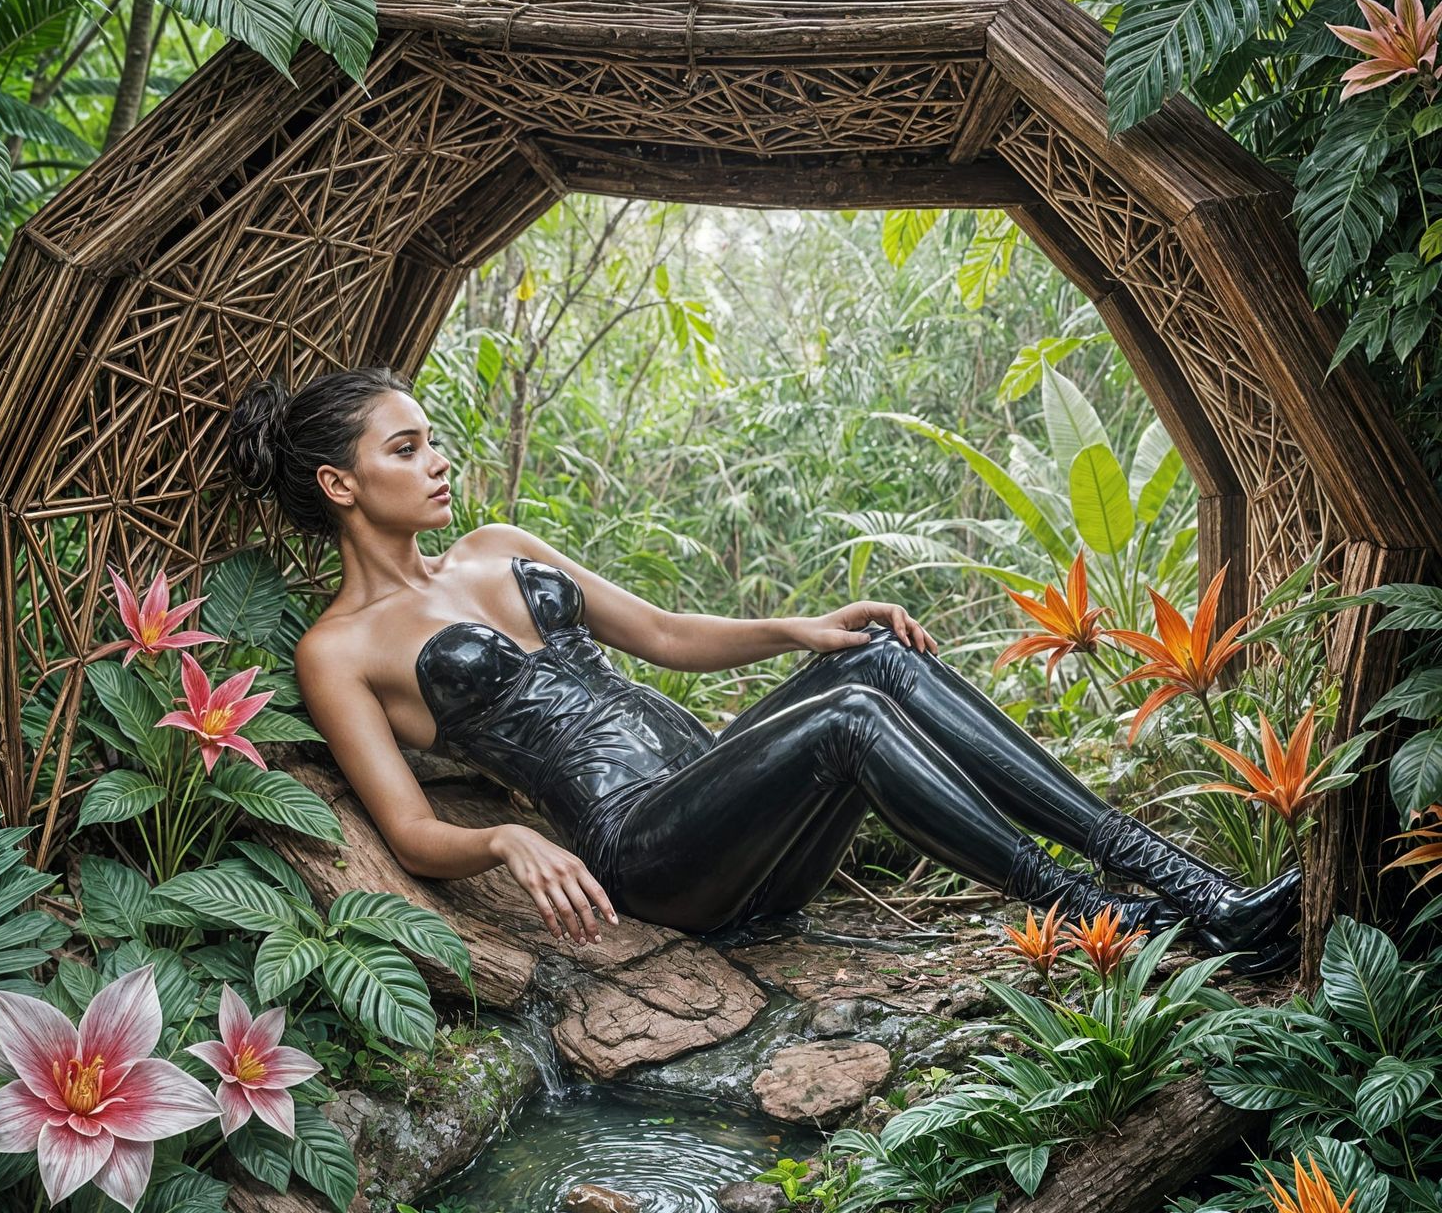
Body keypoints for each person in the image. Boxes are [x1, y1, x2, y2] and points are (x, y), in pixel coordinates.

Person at [227, 364, 1301, 977]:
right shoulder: (339, 650)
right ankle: (1104, 919)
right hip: (648, 852)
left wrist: (798, 627)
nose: (437, 458)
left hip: (721, 793)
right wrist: (507, 835)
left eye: (432, 439)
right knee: (843, 721)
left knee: (870, 656)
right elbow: (408, 832)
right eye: (404, 448)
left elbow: (659, 633)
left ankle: (1194, 889)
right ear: (338, 481)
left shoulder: (498, 544)